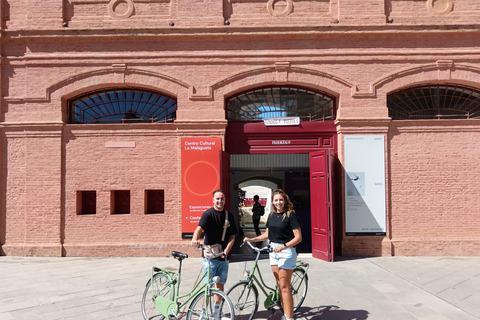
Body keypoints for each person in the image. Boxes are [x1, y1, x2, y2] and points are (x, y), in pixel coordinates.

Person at [243, 189, 302, 320]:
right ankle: (285, 313)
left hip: (286, 251)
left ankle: (289, 317)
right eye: (276, 200)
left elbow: (298, 237)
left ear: (285, 200)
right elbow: (267, 235)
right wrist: (251, 239)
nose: (278, 202)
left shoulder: (290, 215)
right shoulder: (272, 215)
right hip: (273, 251)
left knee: (285, 287)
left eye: (281, 199)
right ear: (273, 202)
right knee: (280, 286)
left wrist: (284, 246)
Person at [191, 189, 237, 315]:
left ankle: (216, 312)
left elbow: (232, 237)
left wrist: (226, 252)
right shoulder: (208, 214)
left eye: (222, 198)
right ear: (213, 200)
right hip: (209, 257)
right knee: (207, 287)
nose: (220, 201)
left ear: (225, 200)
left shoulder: (229, 216)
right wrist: (195, 239)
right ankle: (204, 313)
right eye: (217, 198)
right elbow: (199, 229)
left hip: (223, 257)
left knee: (220, 286)